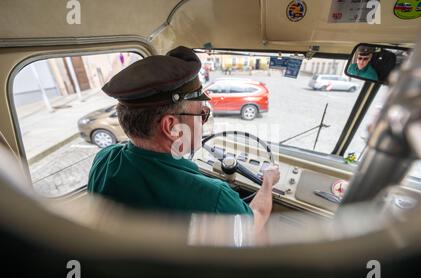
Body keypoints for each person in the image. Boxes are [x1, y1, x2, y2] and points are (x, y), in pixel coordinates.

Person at [88, 46, 280, 228]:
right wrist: (268, 181)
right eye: (202, 114)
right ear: (171, 127)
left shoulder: (104, 159)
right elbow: (256, 221)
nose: (204, 122)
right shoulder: (216, 198)